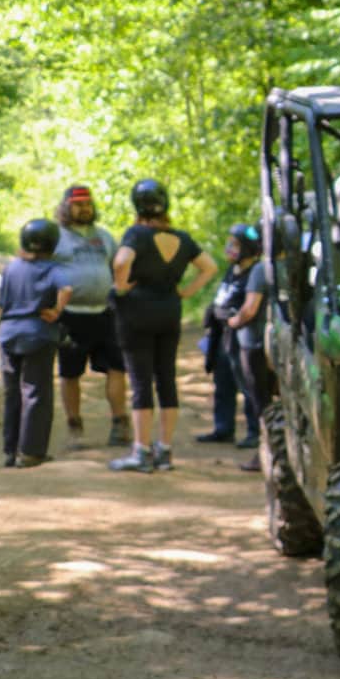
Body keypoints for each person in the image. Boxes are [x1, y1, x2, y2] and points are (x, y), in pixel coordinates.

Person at [108, 178, 217, 473]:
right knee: (166, 378)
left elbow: (121, 263)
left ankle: (141, 451)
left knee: (142, 381)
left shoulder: (137, 235)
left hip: (137, 312)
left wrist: (120, 288)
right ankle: (165, 451)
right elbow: (210, 267)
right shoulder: (182, 238)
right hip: (170, 310)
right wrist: (187, 291)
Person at [51, 184, 133, 449]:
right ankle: (75, 426)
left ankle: (120, 423)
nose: (85, 208)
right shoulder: (56, 237)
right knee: (70, 373)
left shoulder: (104, 236)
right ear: (66, 207)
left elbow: (118, 267)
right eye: (78, 204)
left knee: (117, 368)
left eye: (88, 204)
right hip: (70, 316)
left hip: (104, 314)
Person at [0, 218, 74, 468]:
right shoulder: (51, 268)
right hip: (38, 334)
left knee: (12, 393)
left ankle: (10, 450)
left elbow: (1, 305)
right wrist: (56, 311)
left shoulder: (11, 268)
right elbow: (67, 289)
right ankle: (30, 452)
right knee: (35, 391)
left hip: (9, 334)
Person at [197, 226, 256, 446]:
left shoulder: (255, 273)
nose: (230, 249)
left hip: (243, 337)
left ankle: (254, 432)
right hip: (222, 337)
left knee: (248, 384)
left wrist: (235, 320)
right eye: (229, 243)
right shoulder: (233, 271)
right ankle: (223, 428)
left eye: (236, 244)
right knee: (223, 383)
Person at [223, 224, 273, 472]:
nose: (230, 249)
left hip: (252, 343)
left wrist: (233, 321)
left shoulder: (260, 270)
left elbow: (250, 308)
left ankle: (265, 453)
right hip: (270, 343)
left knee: (260, 401)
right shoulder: (278, 266)